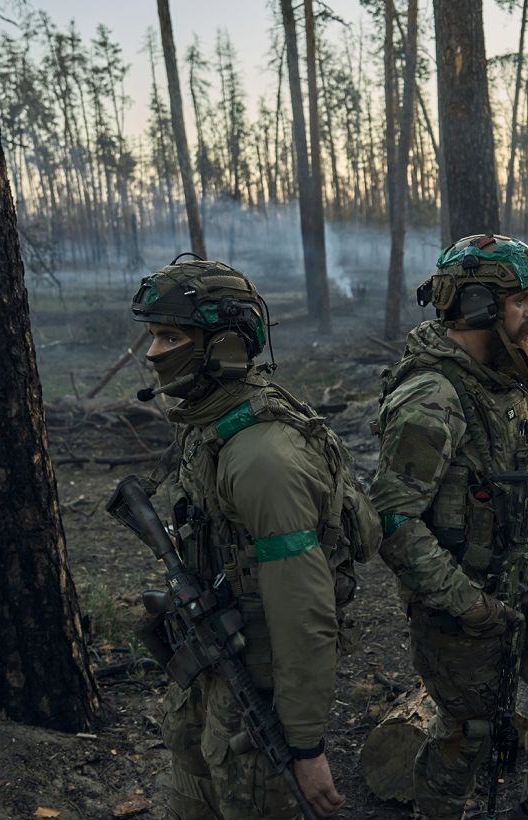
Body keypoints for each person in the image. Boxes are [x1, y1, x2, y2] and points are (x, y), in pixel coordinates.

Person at [369, 234, 528, 819]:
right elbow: (393, 518)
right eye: (521, 300)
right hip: (465, 604)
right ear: (480, 304)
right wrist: (466, 603)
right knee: (469, 737)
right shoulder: (433, 395)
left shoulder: (496, 376)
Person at [131, 257, 353, 819]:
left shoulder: (262, 456)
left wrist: (305, 746)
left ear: (224, 347)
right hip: (209, 668)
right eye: (154, 335)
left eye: (169, 336)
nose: (153, 353)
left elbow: (304, 608)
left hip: (255, 686)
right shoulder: (210, 424)